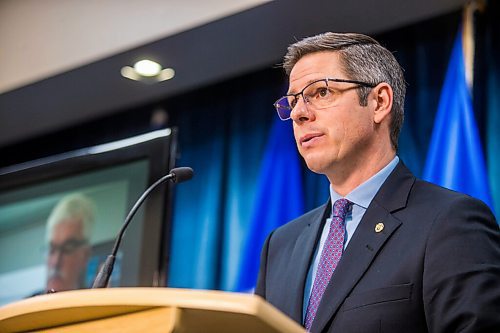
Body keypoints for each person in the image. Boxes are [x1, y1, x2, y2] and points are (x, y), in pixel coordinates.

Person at [255, 32, 500, 332]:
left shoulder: (449, 222)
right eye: (292, 102)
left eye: (320, 93)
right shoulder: (280, 244)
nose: (299, 113)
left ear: (379, 102)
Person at [45, 193, 95, 292]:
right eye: (52, 250)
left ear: (85, 255)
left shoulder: (95, 303)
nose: (56, 262)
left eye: (67, 249)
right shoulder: (25, 305)